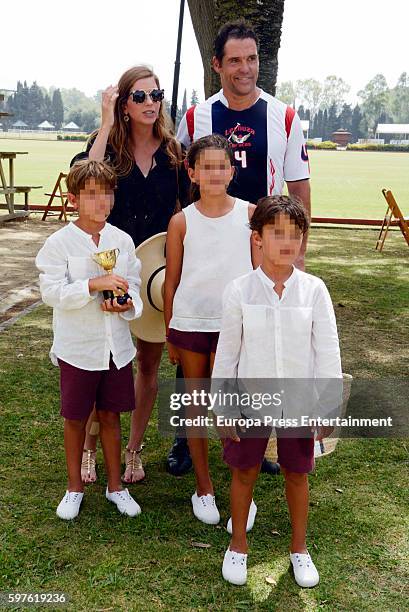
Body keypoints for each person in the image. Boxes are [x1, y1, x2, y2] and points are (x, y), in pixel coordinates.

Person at [168, 19, 311, 475]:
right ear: (217, 65)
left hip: (260, 249)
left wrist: (296, 257)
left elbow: (299, 189)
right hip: (209, 239)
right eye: (235, 60)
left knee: (255, 342)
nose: (245, 69)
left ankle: (254, 438)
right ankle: (185, 444)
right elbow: (181, 175)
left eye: (251, 59)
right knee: (196, 333)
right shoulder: (197, 116)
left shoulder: (284, 117)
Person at [211, 195, 342, 586]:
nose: (287, 242)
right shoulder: (239, 291)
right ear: (258, 238)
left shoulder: (314, 290)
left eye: (295, 234)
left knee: (296, 474)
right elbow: (229, 353)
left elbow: (327, 351)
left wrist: (328, 406)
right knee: (244, 471)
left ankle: (299, 548)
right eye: (276, 232)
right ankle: (237, 545)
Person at [71, 65, 190, 484]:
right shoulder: (105, 145)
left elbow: (189, 211)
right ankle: (88, 447)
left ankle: (133, 449)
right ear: (123, 104)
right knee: (99, 361)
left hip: (155, 269)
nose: (150, 103)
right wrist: (104, 125)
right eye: (139, 96)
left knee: (148, 363)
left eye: (155, 95)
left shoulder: (175, 153)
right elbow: (85, 179)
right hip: (108, 266)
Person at [35, 160, 143, 520]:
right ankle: (74, 488)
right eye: (92, 194)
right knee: (76, 418)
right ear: (73, 198)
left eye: (107, 193)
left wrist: (125, 304)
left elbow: (136, 287)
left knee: (112, 416)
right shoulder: (59, 243)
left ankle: (116, 487)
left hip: (116, 349)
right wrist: (93, 285)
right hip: (78, 348)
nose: (102, 202)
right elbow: (51, 292)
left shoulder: (122, 240)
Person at [163, 134, 261, 524]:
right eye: (206, 167)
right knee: (196, 406)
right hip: (189, 324)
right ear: (192, 172)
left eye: (222, 166)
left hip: (232, 328)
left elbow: (257, 276)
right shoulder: (181, 221)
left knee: (231, 410)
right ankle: (203, 488)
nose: (215, 173)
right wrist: (170, 330)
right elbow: (171, 282)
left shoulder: (250, 214)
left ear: (232, 171)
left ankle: (242, 487)